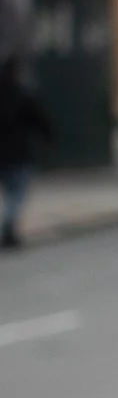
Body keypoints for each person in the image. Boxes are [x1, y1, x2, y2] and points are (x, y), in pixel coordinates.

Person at [0, 53, 51, 250]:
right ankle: (9, 226)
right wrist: (48, 139)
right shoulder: (24, 94)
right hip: (20, 153)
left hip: (3, 154)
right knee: (17, 193)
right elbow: (40, 120)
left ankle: (8, 223)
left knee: (10, 192)